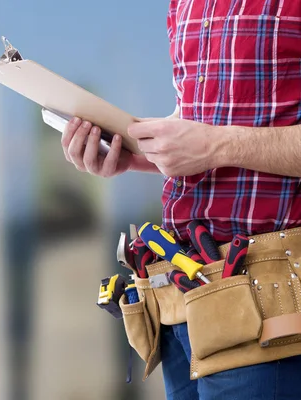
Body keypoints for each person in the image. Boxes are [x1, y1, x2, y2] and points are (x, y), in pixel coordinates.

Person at [61, 1, 301, 399]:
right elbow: (201, 125)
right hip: (181, 302)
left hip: (268, 311)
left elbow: (214, 141)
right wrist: (129, 155)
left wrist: (217, 146)